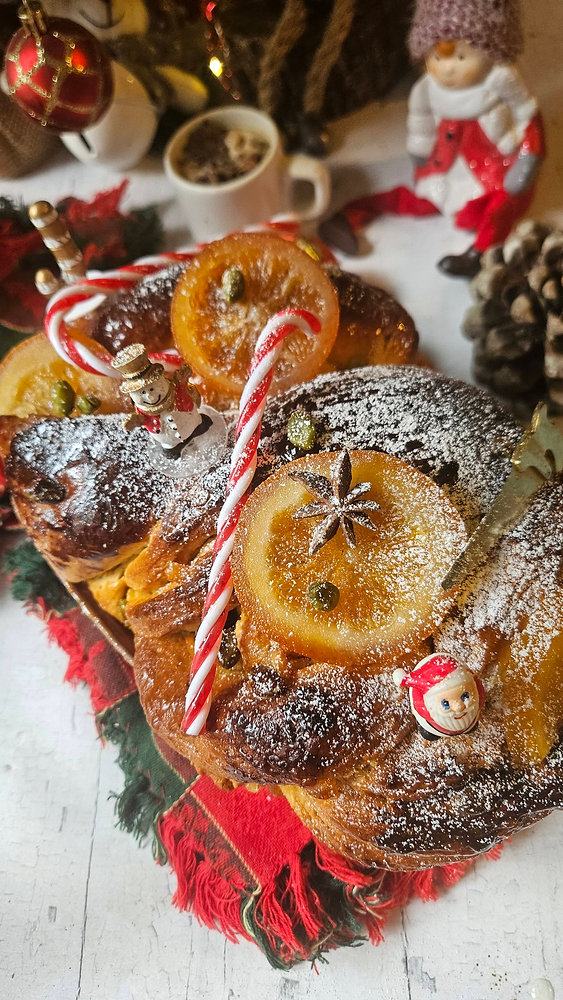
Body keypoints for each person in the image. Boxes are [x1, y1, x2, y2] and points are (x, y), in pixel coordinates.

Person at [320, 0, 545, 277]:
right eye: (437, 58)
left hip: (496, 169)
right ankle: (349, 215)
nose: (448, 69)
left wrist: (528, 157)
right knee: (418, 200)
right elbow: (421, 121)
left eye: (461, 58)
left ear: (493, 53)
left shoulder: (502, 82)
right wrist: (420, 149)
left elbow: (528, 117)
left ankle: (482, 250)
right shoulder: (427, 88)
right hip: (447, 166)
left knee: (499, 207)